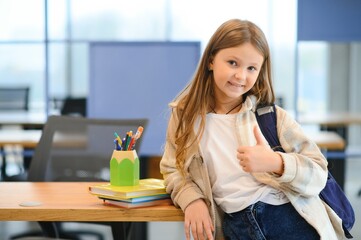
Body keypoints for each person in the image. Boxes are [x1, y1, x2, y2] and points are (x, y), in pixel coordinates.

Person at [160, 19, 345, 240]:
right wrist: (192, 199)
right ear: (211, 60)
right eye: (232, 63)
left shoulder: (271, 117)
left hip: (288, 217)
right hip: (237, 226)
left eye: (251, 68)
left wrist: (276, 162)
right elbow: (173, 169)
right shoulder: (185, 116)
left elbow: (318, 174)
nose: (241, 76)